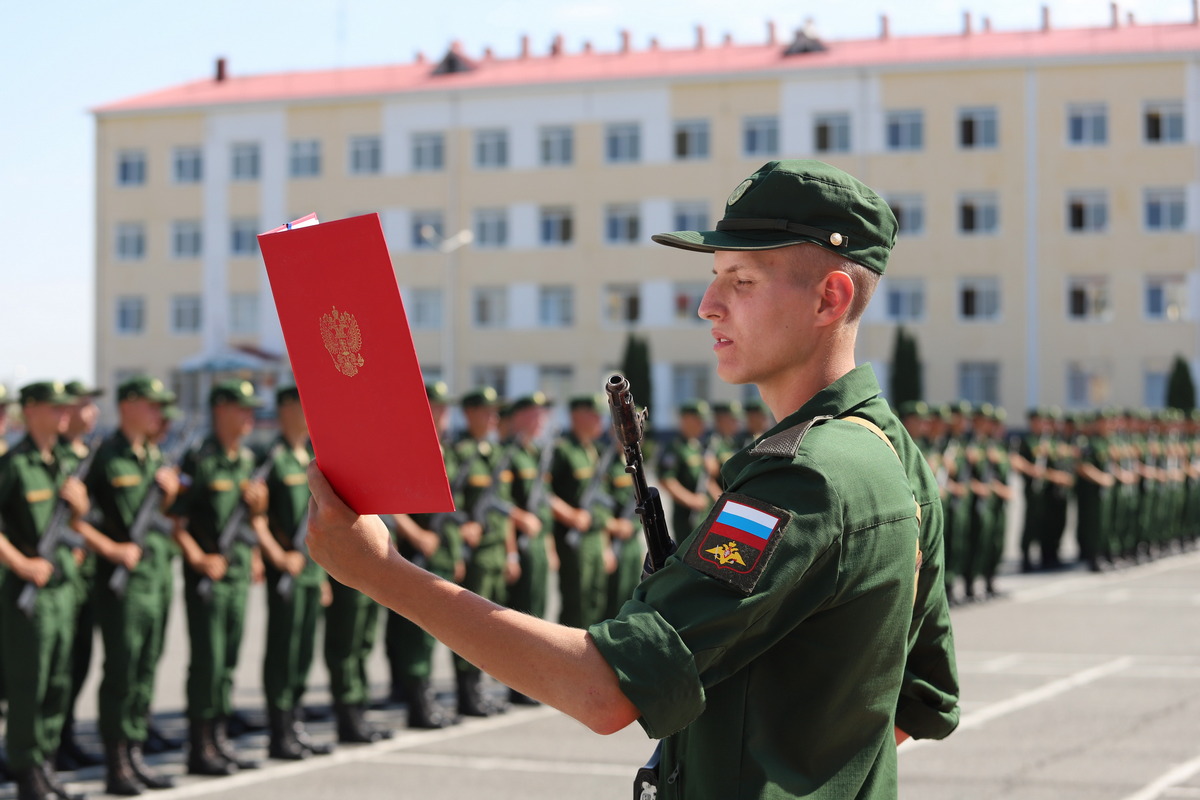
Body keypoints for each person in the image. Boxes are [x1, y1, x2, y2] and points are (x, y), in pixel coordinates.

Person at [304, 160, 960, 798]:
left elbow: (603, 690)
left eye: (742, 280)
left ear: (830, 297)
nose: (708, 305)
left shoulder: (803, 477)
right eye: (714, 277)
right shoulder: (892, 451)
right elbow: (923, 697)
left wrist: (378, 570)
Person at [77, 376, 179, 795]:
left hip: (155, 576)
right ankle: (116, 763)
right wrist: (113, 551)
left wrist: (169, 497)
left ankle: (135, 753)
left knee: (146, 667)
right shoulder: (106, 457)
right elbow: (76, 520)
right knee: (122, 670)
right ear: (130, 405)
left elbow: (162, 518)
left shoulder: (154, 456)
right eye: (152, 405)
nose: (159, 414)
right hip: (123, 584)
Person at [168, 379, 267, 776]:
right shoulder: (198, 458)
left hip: (238, 571)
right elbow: (175, 521)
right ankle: (199, 745)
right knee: (207, 661)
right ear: (220, 409)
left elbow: (249, 521)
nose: (249, 416)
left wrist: (258, 535)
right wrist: (198, 557)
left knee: (227, 661)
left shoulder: (246, 460)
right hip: (208, 576)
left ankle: (219, 739)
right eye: (242, 408)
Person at [0, 381, 91, 800]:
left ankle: (47, 762)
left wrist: (80, 511)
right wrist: (21, 563)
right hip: (27, 594)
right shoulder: (15, 463)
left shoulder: (61, 463)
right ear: (31, 410)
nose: (63, 414)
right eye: (54, 408)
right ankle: (25, 769)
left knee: (58, 680)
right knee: (28, 685)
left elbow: (70, 530)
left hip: (61, 591)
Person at [259, 386, 334, 760]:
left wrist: (321, 576)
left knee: (304, 651)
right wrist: (275, 555)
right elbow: (255, 517)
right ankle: (279, 730)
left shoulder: (310, 458)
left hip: (309, 572)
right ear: (287, 407)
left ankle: (295, 725)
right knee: (284, 651)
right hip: (286, 572)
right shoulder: (270, 458)